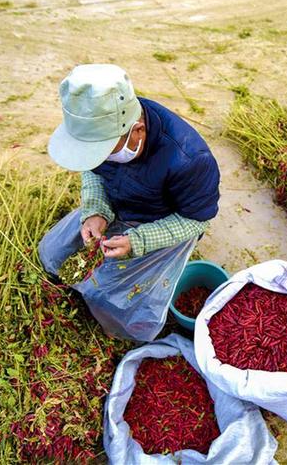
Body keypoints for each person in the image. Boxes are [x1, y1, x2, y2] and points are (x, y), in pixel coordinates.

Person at [39, 64, 221, 341]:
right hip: (119, 201)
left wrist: (139, 241)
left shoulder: (190, 160)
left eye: (103, 152)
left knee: (113, 301)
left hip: (162, 221)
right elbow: (92, 170)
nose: (97, 158)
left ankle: (114, 329)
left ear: (136, 131)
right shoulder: (103, 124)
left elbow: (197, 220)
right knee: (51, 254)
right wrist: (95, 210)